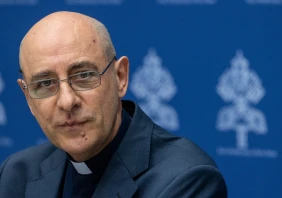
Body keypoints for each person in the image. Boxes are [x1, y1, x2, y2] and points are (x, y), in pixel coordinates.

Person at [0, 11, 227, 198]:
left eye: (84, 75)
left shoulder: (186, 179)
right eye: (46, 83)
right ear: (28, 97)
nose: (67, 101)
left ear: (120, 77)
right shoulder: (15, 174)